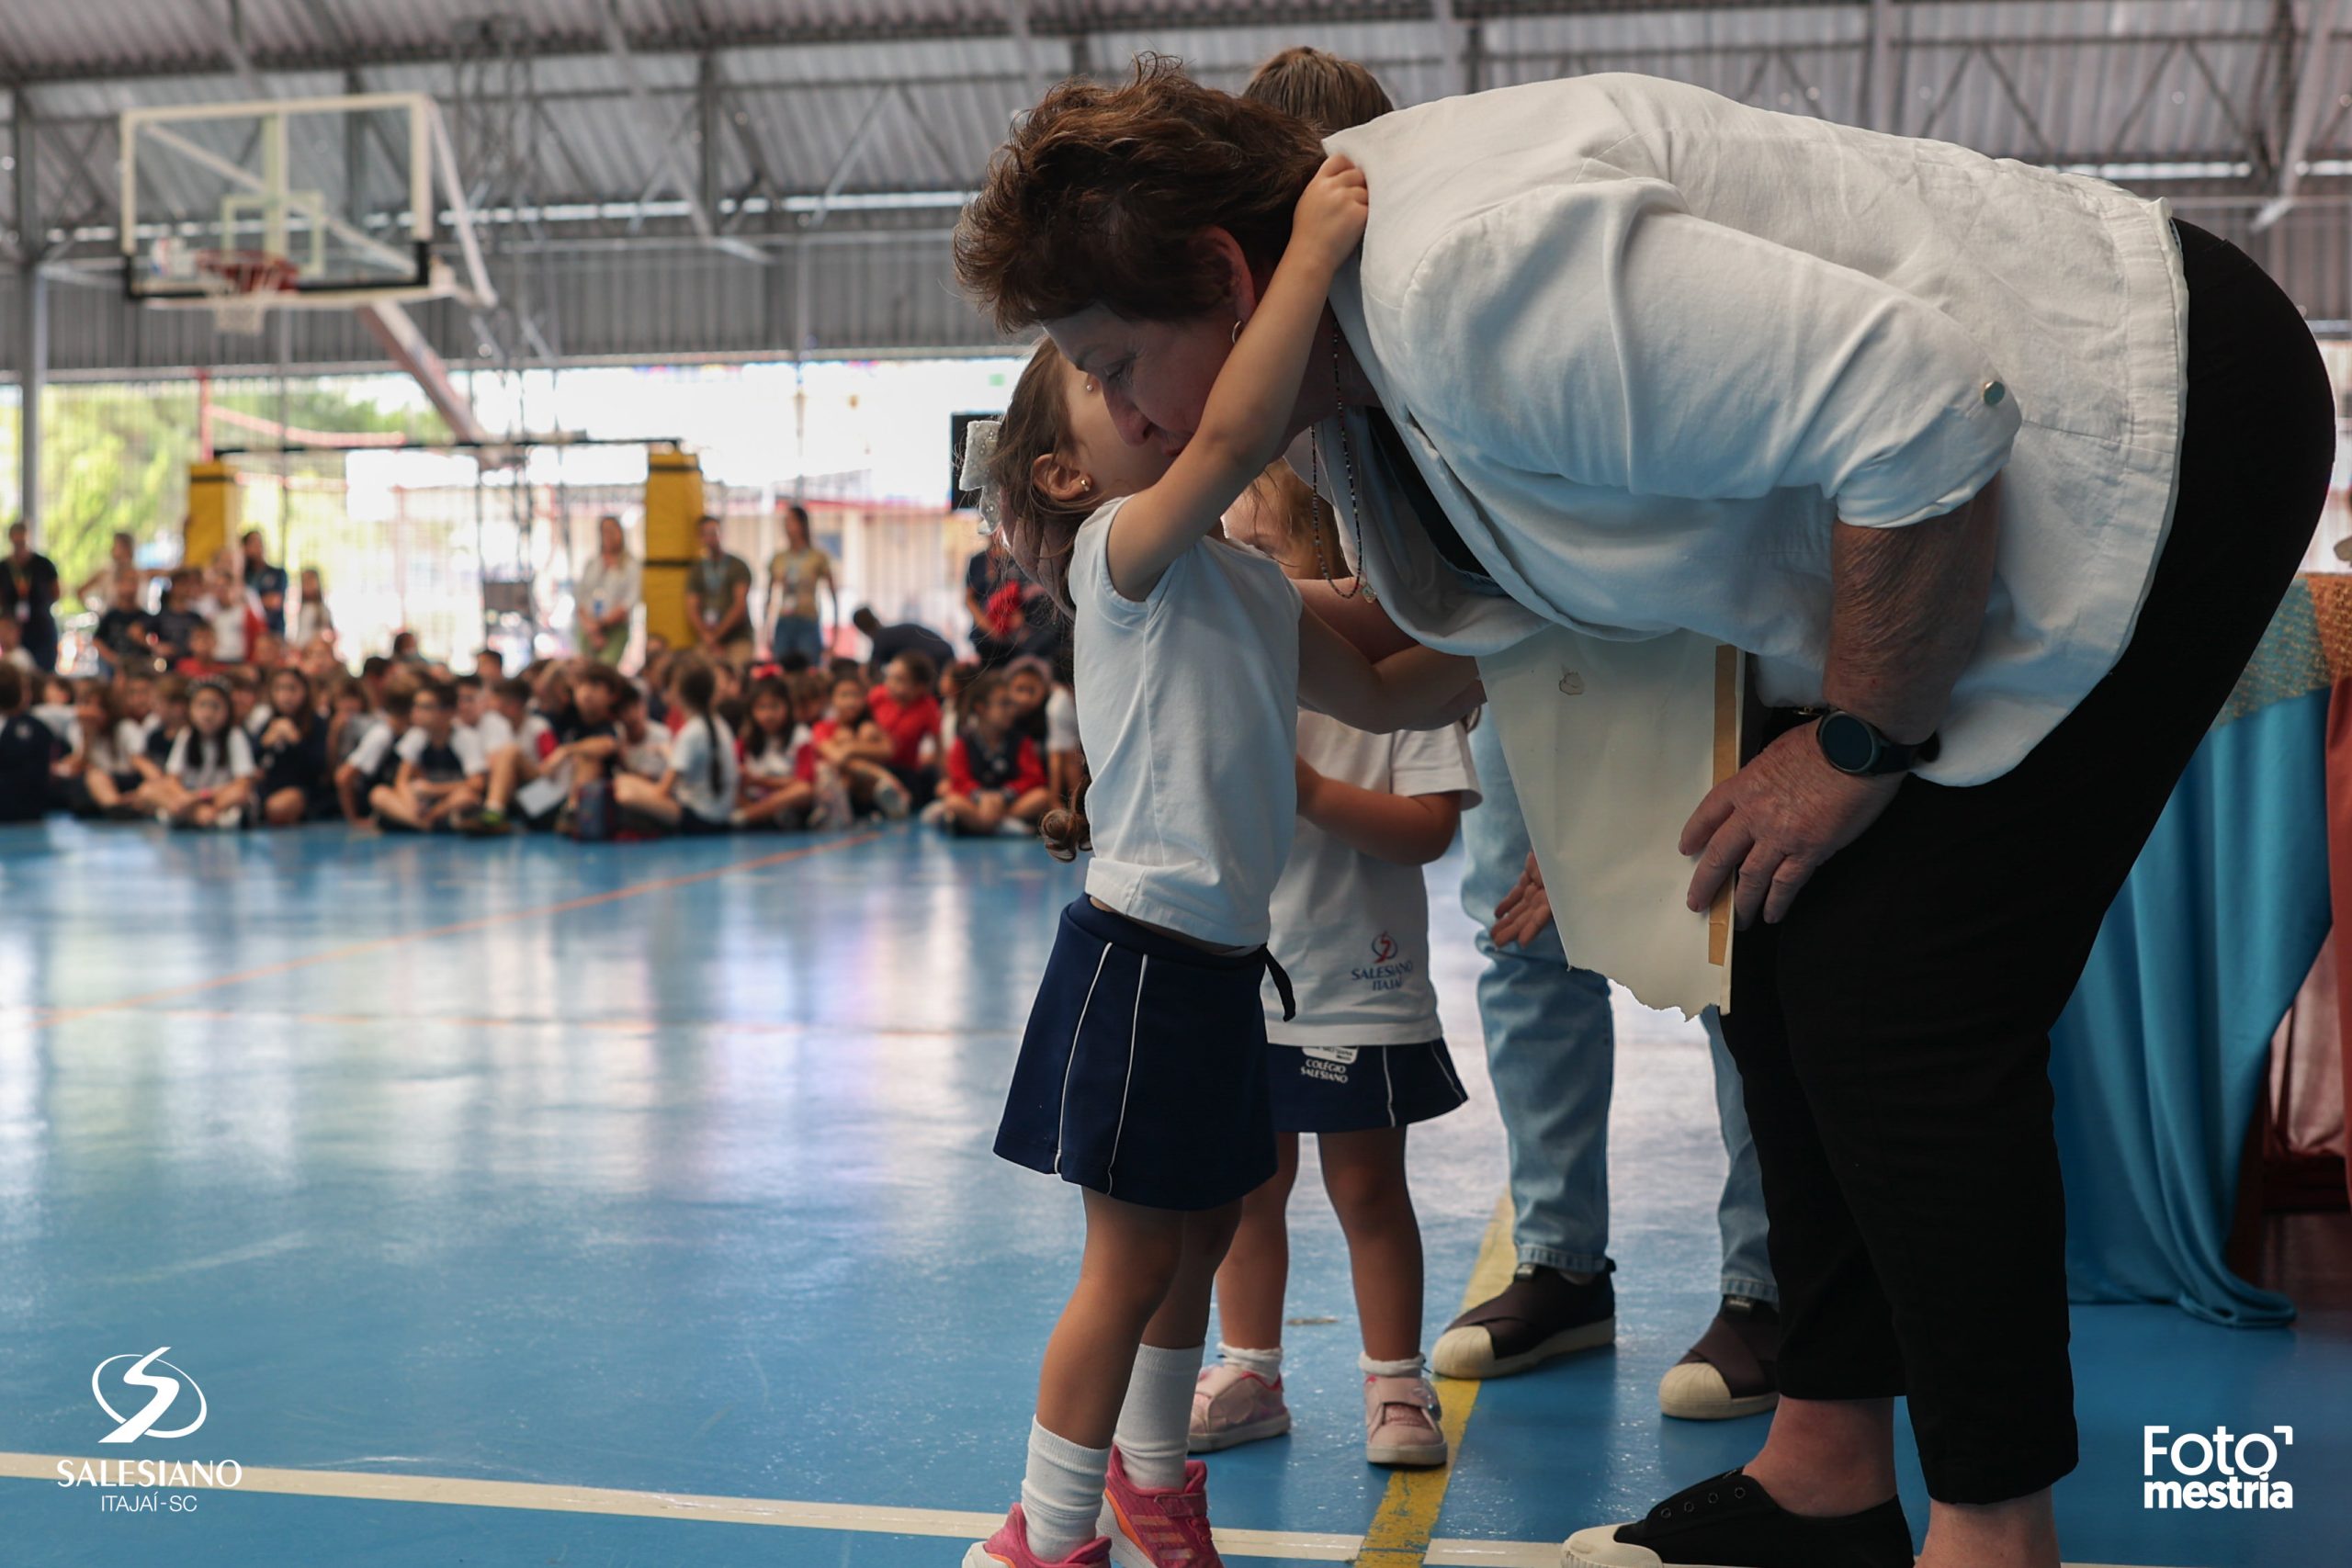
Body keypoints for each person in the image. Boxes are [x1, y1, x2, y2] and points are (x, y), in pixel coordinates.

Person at [957, 59, 2336, 1568]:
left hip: (2166, 415)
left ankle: (1992, 1529)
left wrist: (1861, 744)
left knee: (1906, 988)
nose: (1120, 405)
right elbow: (1476, 629)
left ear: (1229, 280)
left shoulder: (1463, 281)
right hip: (1919, 516)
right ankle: (1825, 1471)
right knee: (1778, 926)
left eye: (1110, 355)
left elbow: (1933, 409)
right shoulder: (1342, 384)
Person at [1240, 42, 1784, 1428]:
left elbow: (1629, 547)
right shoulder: (1321, 357)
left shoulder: (1469, 295)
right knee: (1522, 937)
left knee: (1707, 940)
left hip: (1657, 649)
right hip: (1511, 665)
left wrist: (1612, 809)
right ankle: (1559, 1260)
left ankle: (1769, 1282)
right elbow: (1416, 588)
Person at [958, 154, 1481, 1568]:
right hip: (1136, 960)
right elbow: (1240, 428)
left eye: (1138, 364)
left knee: (1190, 1248)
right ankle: (1049, 1533)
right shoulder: (1123, 557)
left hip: (1221, 971)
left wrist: (1544, 632)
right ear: (1071, 471)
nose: (1146, 401)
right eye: (1107, 384)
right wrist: (1305, 254)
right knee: (1129, 1265)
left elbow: (1386, 691)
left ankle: (1151, 1485)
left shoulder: (1245, 582)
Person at [1191, 468, 1481, 1470]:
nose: (1246, 580)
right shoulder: (1234, 675)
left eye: (1264, 556)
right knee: (1247, 1191)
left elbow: (1426, 834)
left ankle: (1396, 1383)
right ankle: (1250, 1373)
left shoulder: (1408, 680)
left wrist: (1309, 790)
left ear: (1342, 569)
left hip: (1363, 984)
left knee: (1366, 1191)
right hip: (1249, 978)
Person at [617, 660, 737, 835]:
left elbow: (662, 791)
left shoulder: (691, 732)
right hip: (719, 814)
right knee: (625, 782)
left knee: (625, 792)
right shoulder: (718, 723)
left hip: (702, 819)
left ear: (678, 693)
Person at [929, 671, 1053, 838]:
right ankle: (1002, 826)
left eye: (1011, 704)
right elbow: (959, 778)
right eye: (1004, 704)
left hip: (1009, 802)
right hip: (977, 803)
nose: (1011, 710)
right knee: (953, 800)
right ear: (981, 708)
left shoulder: (1020, 740)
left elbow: (1033, 777)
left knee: (1042, 796)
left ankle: (983, 825)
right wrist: (980, 796)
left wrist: (1005, 795)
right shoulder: (964, 741)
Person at [371, 682, 487, 832]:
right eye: (415, 706)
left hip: (447, 802)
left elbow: (477, 783)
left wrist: (433, 790)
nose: (416, 712)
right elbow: (402, 780)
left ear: (448, 712)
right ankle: (424, 823)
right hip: (423, 804)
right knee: (379, 794)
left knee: (466, 798)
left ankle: (416, 821)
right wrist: (410, 804)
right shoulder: (416, 735)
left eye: (425, 707)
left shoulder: (465, 738)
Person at [153, 680, 257, 830]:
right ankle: (201, 816)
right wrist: (185, 798)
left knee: (240, 794)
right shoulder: (186, 735)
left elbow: (243, 783)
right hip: (190, 799)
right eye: (201, 705)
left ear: (228, 710)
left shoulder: (234, 735)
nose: (207, 714)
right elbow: (172, 779)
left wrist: (198, 797)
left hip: (217, 797)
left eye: (215, 706)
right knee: (151, 790)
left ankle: (195, 815)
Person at [734, 675, 816, 829]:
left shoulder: (801, 735)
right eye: (761, 707)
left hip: (787, 803)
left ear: (787, 706)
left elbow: (805, 783)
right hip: (752, 799)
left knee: (803, 790)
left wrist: (758, 781)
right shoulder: (745, 739)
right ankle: (759, 816)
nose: (768, 715)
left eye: (774, 706)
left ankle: (749, 816)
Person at [866, 651, 944, 814]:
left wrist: (946, 781)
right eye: (889, 677)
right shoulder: (877, 696)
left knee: (922, 782)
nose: (890, 684)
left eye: (899, 679)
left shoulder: (928, 707)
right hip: (872, 763)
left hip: (904, 769)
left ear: (920, 687)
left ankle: (896, 798)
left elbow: (939, 749)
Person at [254, 668, 332, 827]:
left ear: (304, 691)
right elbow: (250, 762)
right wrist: (264, 744)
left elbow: (319, 767)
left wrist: (296, 741)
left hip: (303, 791)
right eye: (279, 688)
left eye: (292, 688)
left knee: (278, 807)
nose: (286, 695)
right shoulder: (269, 723)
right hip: (269, 788)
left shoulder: (317, 723)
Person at [766, 503, 836, 667]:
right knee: (782, 669)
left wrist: (835, 634)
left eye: (791, 521)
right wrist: (766, 631)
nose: (787, 526)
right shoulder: (779, 558)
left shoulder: (818, 557)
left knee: (810, 669)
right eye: (785, 521)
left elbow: (833, 595)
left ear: (802, 524)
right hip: (784, 621)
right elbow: (768, 597)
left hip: (808, 620)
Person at [685, 515, 754, 667]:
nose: (710, 537)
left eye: (713, 532)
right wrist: (707, 637)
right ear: (700, 537)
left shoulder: (737, 566)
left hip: (738, 638)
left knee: (736, 671)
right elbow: (692, 607)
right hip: (708, 639)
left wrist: (716, 636)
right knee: (696, 669)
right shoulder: (698, 570)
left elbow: (739, 606)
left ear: (721, 534)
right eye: (706, 533)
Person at [575, 515, 640, 666]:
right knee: (584, 669)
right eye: (604, 531)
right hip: (588, 629)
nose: (608, 535)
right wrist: (591, 628)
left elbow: (629, 602)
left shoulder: (630, 566)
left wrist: (601, 625)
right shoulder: (592, 564)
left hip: (614, 629)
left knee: (605, 669)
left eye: (612, 530)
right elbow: (580, 597)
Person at [1, 522, 62, 673]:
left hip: (41, 626)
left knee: (44, 672)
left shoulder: (43, 565)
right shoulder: (4, 567)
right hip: (15, 632)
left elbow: (56, 592)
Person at [850, 604, 954, 674]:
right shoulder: (889, 634)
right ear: (876, 619)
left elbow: (872, 671)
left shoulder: (881, 639)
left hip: (936, 658)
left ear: (861, 629)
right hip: (944, 651)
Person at [241, 530, 289, 638]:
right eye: (253, 543)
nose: (258, 546)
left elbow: (274, 601)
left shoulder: (278, 573)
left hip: (273, 632)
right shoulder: (243, 576)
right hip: (251, 635)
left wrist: (250, 604)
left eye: (260, 542)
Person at [294, 568, 335, 649]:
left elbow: (330, 634)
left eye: (310, 581)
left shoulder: (323, 610)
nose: (307, 585)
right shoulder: (302, 608)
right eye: (304, 582)